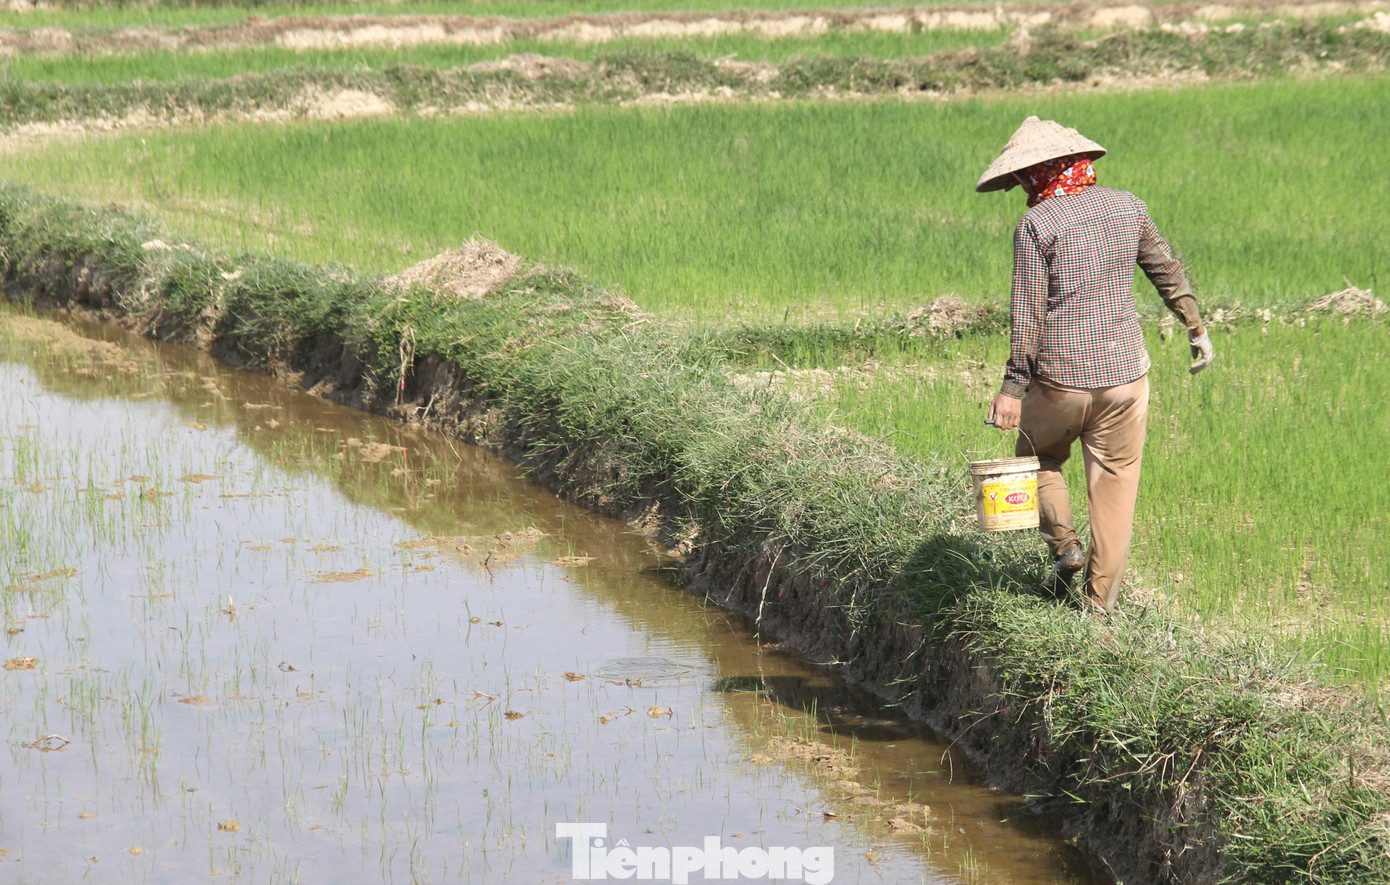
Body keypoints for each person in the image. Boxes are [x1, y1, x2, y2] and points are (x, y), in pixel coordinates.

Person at [977, 116, 1213, 613]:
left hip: (1060, 378)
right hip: (1127, 375)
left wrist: (1012, 388)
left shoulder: (1036, 224)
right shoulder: (1129, 207)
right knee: (1116, 488)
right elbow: (1166, 269)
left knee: (1036, 461)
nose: (1021, 186)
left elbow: (1027, 314)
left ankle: (1065, 547)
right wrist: (1195, 326)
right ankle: (1099, 606)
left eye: (1023, 177)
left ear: (1039, 173)